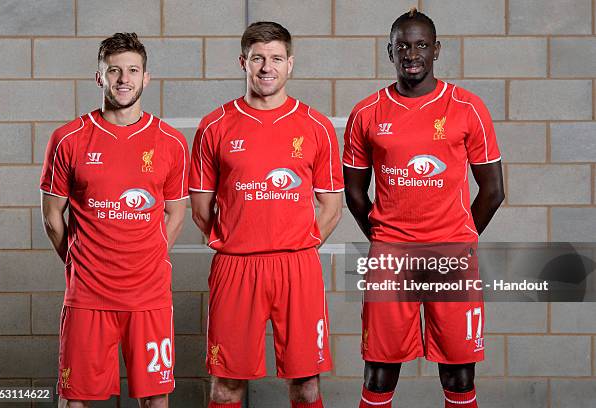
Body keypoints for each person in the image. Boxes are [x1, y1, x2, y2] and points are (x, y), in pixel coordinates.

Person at [343, 9, 505, 408]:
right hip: (391, 255)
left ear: (436, 50)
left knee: (458, 369)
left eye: (420, 45)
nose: (411, 53)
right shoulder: (367, 113)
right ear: (389, 51)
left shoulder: (467, 107)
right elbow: (354, 192)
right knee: (379, 369)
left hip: (451, 253)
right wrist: (385, 239)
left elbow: (493, 190)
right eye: (402, 46)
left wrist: (457, 236)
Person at [189, 21, 343, 408]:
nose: (266, 67)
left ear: (290, 64)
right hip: (236, 267)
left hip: (296, 266)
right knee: (226, 387)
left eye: (276, 58)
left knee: (306, 386)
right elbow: (200, 208)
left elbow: (331, 206)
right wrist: (238, 237)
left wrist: (297, 244)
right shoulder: (214, 126)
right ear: (243, 62)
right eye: (257, 58)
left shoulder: (317, 127)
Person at [40, 33, 189, 408]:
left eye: (133, 70)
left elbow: (176, 210)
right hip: (88, 295)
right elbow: (52, 217)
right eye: (115, 70)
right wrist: (80, 263)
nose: (124, 79)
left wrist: (151, 256)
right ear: (99, 77)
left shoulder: (170, 142)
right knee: (75, 399)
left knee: (156, 398)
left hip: (149, 295)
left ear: (146, 78)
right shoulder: (68, 139)